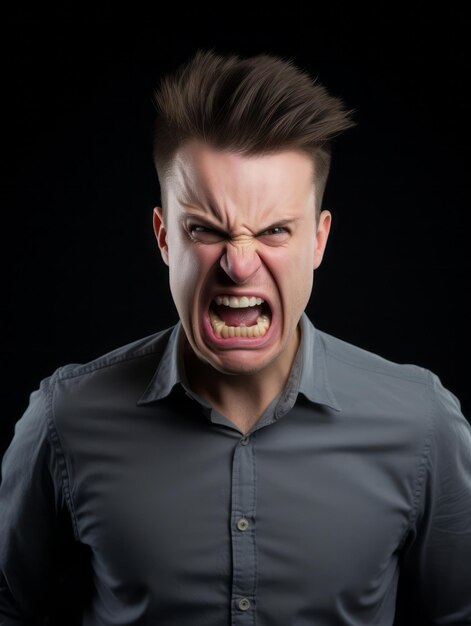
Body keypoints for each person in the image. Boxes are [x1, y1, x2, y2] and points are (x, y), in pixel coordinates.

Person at [1, 48, 470, 626]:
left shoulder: (423, 424)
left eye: (274, 230)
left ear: (318, 241)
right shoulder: (61, 421)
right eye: (205, 229)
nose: (239, 265)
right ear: (164, 236)